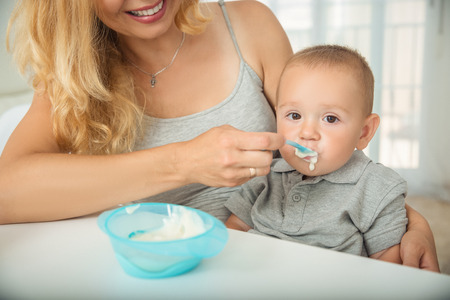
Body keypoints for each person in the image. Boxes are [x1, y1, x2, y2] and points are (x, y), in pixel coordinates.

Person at [0, 0, 439, 271]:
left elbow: (326, 148)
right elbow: (7, 193)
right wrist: (184, 162)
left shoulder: (249, 23)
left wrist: (401, 219)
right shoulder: (73, 78)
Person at [226, 45, 439, 268]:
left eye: (330, 119)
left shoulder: (375, 188)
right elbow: (234, 230)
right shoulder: (265, 174)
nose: (307, 133)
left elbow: (388, 267)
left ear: (364, 132)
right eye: (294, 115)